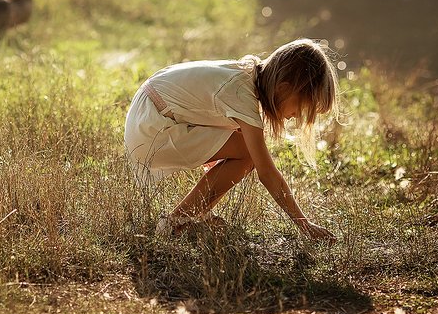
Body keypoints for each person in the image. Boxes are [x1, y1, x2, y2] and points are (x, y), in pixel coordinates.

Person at [124, 38, 338, 241]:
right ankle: (175, 222)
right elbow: (266, 172)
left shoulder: (246, 74)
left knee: (242, 142)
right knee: (248, 153)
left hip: (148, 117)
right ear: (283, 88)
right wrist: (304, 224)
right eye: (301, 108)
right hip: (151, 128)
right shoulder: (240, 92)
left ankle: (193, 216)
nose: (297, 117)